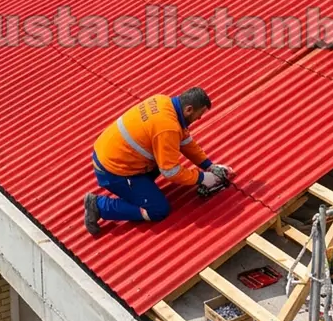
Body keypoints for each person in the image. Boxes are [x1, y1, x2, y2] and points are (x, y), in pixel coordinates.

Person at [83, 88, 231, 236]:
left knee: (163, 157)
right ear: (189, 109)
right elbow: (170, 171)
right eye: (199, 115)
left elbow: (185, 141)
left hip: (111, 155)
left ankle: (136, 191)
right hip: (113, 172)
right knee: (158, 210)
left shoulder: (163, 102)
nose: (198, 119)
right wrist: (202, 178)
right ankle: (99, 206)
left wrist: (209, 166)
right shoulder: (167, 127)